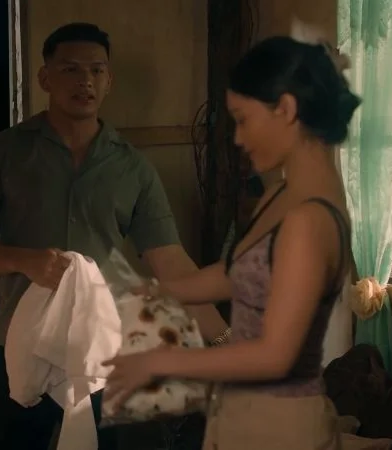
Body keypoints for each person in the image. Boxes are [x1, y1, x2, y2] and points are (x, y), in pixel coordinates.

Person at [0, 22, 230, 450]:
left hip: (105, 350)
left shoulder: (132, 167)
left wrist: (224, 340)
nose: (86, 81)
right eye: (71, 69)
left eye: (96, 70)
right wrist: (24, 260)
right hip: (22, 344)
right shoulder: (0, 153)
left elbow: (171, 263)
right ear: (45, 78)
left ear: (109, 80)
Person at [102, 35, 361, 450]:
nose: (238, 139)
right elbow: (233, 276)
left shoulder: (308, 220)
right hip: (242, 413)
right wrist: (157, 291)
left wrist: (159, 360)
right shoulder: (281, 194)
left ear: (286, 110)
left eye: (243, 119)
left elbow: (274, 355)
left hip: (281, 426)